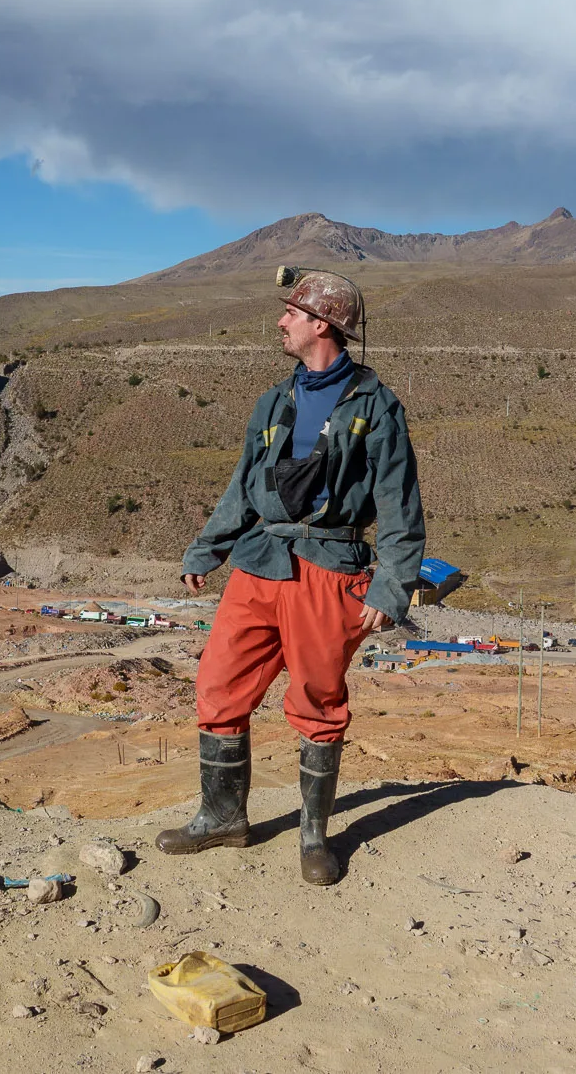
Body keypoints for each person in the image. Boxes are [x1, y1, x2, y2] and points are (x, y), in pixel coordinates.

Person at [157, 269, 425, 884]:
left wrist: (390, 585)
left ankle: (313, 836)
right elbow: (242, 486)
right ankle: (222, 818)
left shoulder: (376, 406)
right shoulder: (273, 400)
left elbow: (400, 505)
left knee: (317, 700)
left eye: (292, 313)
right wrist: (208, 549)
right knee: (219, 686)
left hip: (331, 572)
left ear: (321, 324)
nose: (281, 322)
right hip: (259, 565)